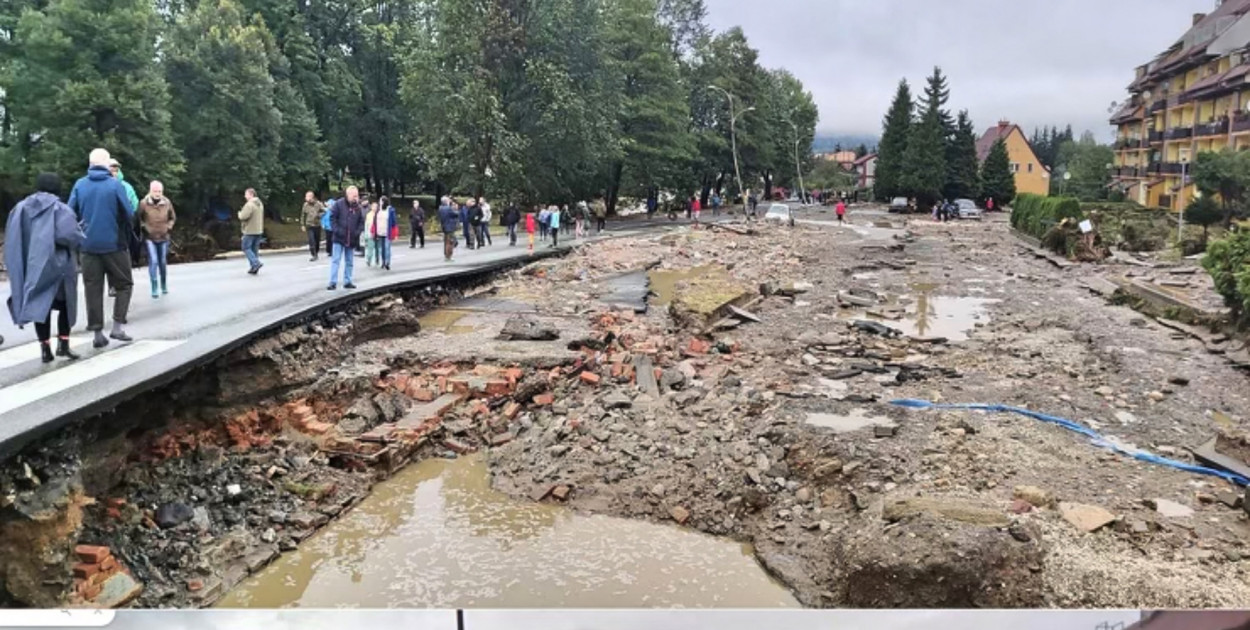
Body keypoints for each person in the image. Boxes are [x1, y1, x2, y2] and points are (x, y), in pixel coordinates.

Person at [5, 173, 85, 362]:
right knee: (66, 305)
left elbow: (13, 238)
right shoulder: (61, 209)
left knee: (41, 306)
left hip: (32, 267)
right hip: (59, 267)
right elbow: (68, 236)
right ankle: (63, 345)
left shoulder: (19, 209)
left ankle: (45, 349)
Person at [69, 148, 135, 348]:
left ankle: (97, 332)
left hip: (87, 246)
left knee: (93, 288)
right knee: (124, 284)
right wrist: (126, 236)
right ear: (107, 164)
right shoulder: (115, 185)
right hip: (114, 244)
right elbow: (128, 214)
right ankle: (117, 326)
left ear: (90, 164)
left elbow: (69, 212)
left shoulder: (80, 185)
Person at [138, 181, 176, 298]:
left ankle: (163, 284)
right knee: (153, 261)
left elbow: (172, 217)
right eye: (155, 191)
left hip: (164, 236)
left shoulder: (167, 202)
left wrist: (168, 227)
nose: (157, 194)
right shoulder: (144, 203)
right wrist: (144, 228)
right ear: (150, 191)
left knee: (162, 261)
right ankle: (154, 286)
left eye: (159, 191)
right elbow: (139, 218)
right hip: (150, 237)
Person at [328, 186, 364, 290]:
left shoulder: (357, 208)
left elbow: (361, 222)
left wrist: (357, 233)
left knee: (349, 261)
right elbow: (332, 219)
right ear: (348, 195)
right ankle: (332, 282)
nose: (356, 198)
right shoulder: (338, 204)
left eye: (357, 195)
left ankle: (347, 281)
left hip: (351, 238)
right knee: (336, 260)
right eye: (354, 195)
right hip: (339, 237)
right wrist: (338, 231)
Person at [238, 188, 264, 275]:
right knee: (254, 249)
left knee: (245, 247)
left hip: (249, 230)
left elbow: (244, 216)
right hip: (258, 230)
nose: (245, 196)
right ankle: (254, 267)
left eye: (246, 194)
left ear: (251, 194)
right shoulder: (260, 204)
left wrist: (239, 214)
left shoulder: (249, 205)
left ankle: (256, 263)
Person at [371, 196, 397, 270]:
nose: (380, 202)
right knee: (381, 249)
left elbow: (394, 222)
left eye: (381, 201)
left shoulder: (390, 210)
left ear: (384, 202)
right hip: (380, 232)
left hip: (387, 232)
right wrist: (373, 231)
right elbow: (374, 221)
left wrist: (394, 233)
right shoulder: (378, 211)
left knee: (387, 247)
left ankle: (387, 262)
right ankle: (383, 261)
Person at [301, 191, 325, 262]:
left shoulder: (318, 204)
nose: (306, 198)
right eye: (306, 197)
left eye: (308, 197)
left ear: (312, 197)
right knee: (311, 240)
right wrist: (302, 224)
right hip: (309, 225)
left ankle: (316, 251)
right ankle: (314, 254)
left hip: (317, 225)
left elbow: (324, 211)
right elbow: (303, 215)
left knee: (317, 240)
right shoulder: (305, 205)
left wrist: (319, 215)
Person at [437, 196, 460, 262]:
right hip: (450, 227)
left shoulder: (440, 208)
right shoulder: (448, 208)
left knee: (446, 242)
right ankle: (448, 256)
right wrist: (456, 209)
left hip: (444, 227)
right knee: (450, 242)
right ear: (446, 201)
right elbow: (456, 214)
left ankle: (446, 255)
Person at [364, 202, 379, 267]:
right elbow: (366, 225)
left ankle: (377, 260)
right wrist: (366, 234)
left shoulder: (379, 214)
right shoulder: (369, 215)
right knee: (370, 248)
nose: (375, 208)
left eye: (376, 207)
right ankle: (368, 260)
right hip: (370, 234)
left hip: (378, 233)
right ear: (371, 207)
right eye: (373, 207)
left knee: (377, 248)